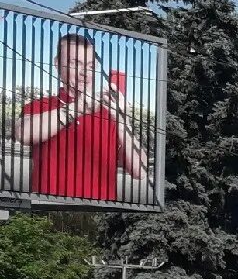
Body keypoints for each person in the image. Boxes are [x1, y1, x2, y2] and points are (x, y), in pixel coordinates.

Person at [14, 32, 147, 201]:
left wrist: (123, 121)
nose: (85, 72)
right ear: (57, 64)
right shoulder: (40, 106)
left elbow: (140, 171)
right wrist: (77, 108)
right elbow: (23, 134)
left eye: (91, 66)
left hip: (98, 215)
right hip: (48, 212)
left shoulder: (109, 114)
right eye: (75, 64)